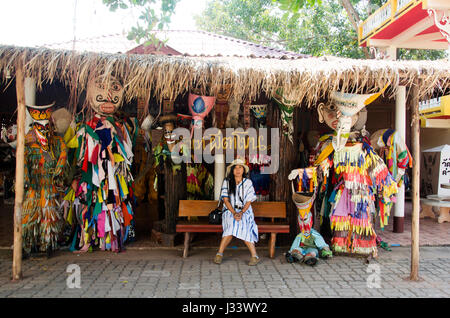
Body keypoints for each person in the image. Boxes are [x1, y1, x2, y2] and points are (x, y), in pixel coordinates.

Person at [214, 158, 260, 266]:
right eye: (235, 168)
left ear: (243, 170)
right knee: (232, 224)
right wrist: (234, 213)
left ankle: (253, 256)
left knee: (243, 223)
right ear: (232, 170)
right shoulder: (227, 182)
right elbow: (225, 200)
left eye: (240, 167)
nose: (238, 170)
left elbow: (249, 200)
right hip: (229, 211)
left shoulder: (248, 182)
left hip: (245, 211)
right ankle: (220, 254)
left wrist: (241, 212)